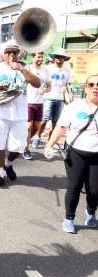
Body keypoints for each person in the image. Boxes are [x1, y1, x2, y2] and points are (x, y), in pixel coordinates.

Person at [0, 41, 41, 188]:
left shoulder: (25, 68)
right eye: (8, 52)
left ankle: (8, 164)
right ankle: (0, 174)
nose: (12, 55)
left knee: (19, 147)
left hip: (19, 115)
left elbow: (38, 83)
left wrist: (22, 70)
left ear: (18, 54)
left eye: (14, 52)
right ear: (4, 54)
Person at [45, 74, 98, 234]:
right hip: (76, 153)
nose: (95, 87)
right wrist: (49, 145)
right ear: (85, 87)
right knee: (74, 187)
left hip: (96, 155)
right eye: (91, 85)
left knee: (94, 191)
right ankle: (69, 218)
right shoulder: (74, 107)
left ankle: (90, 212)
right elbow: (61, 127)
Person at [36, 48, 72, 142]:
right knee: (44, 120)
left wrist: (69, 96)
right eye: (57, 56)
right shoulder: (47, 68)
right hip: (48, 97)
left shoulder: (67, 71)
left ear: (64, 59)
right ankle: (37, 137)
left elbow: (68, 84)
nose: (59, 58)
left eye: (61, 57)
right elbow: (40, 80)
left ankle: (50, 142)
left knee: (55, 122)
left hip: (60, 99)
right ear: (54, 57)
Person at [22, 52, 52, 159]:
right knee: (29, 126)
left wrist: (46, 90)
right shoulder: (28, 68)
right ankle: (26, 149)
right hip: (28, 101)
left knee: (36, 127)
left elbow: (49, 86)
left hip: (40, 103)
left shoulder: (45, 71)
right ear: (33, 57)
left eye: (42, 57)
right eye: (38, 57)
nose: (40, 59)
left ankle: (24, 141)